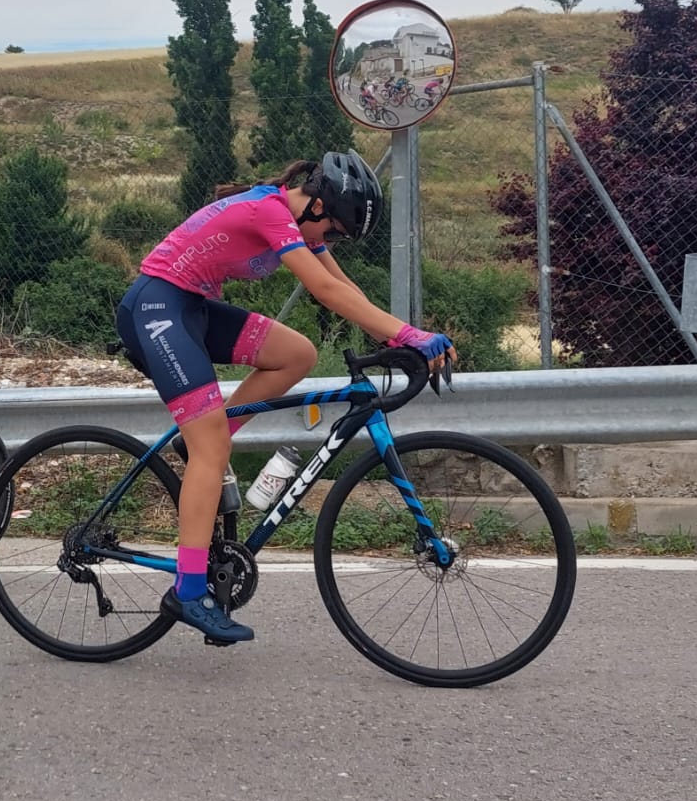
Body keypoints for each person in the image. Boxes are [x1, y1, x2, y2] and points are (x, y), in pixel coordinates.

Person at [115, 151, 454, 646]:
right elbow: (321, 290)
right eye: (334, 231)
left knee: (297, 353)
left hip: (193, 307)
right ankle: (188, 591)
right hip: (156, 307)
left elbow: (343, 286)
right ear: (317, 207)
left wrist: (400, 338)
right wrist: (410, 333)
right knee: (212, 452)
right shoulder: (270, 212)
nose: (331, 241)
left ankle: (210, 436)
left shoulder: (301, 223)